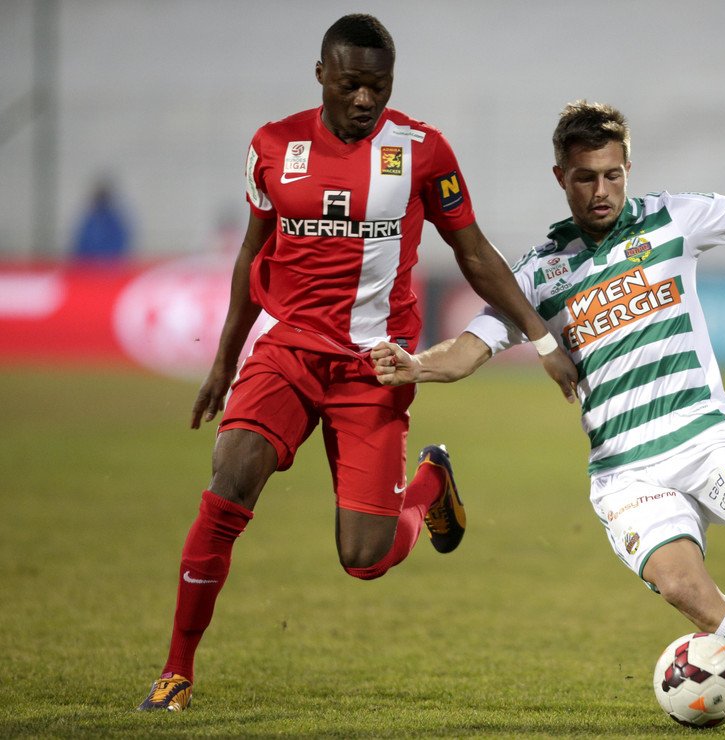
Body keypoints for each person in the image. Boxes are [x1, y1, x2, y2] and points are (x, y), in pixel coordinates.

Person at [371, 101, 725, 729]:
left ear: (628, 169)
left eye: (612, 175)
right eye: (585, 177)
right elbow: (464, 353)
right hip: (626, 471)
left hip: (707, 439)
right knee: (684, 588)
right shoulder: (537, 274)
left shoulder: (674, 219)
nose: (601, 190)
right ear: (560, 177)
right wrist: (415, 364)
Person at [137, 14, 576, 712]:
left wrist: (542, 338)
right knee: (228, 487)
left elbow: (473, 251)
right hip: (288, 351)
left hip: (377, 365)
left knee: (365, 558)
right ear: (321, 76)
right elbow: (252, 252)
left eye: (379, 85)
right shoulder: (273, 146)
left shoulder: (423, 151)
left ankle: (430, 483)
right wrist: (224, 362)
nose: (365, 99)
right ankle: (176, 671)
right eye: (350, 85)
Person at [70, 180, 132, 262]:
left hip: (110, 264)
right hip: (87, 263)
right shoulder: (89, 220)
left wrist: (107, 259)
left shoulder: (115, 220)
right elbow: (81, 243)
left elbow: (119, 242)